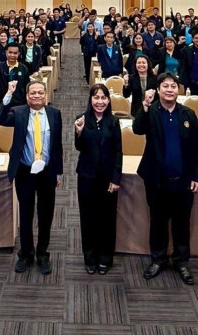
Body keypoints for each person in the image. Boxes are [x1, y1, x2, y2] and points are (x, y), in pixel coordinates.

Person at [132, 72, 198, 285]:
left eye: (173, 86)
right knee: (158, 221)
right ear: (158, 89)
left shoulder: (188, 114)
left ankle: (181, 262)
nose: (170, 90)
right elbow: (137, 129)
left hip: (183, 180)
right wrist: (145, 105)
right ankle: (158, 259)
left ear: (178, 90)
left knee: (182, 223)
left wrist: (197, 176)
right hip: (157, 180)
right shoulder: (151, 111)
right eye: (165, 86)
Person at [0, 80, 63, 275]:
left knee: (45, 215)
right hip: (25, 171)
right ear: (27, 97)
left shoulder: (54, 114)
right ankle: (26, 254)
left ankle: (42, 254)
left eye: (40, 93)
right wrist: (8, 94)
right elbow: (1, 119)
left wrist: (59, 172)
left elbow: (57, 145)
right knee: (26, 214)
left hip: (47, 172)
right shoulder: (18, 113)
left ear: (46, 95)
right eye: (33, 93)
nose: (37, 96)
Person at [73, 84, 123, 274]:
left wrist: (116, 179)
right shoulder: (82, 119)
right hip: (87, 176)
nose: (100, 102)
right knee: (88, 217)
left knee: (107, 218)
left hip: (108, 178)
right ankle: (90, 258)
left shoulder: (114, 122)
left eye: (103, 98)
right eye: (96, 97)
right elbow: (79, 147)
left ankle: (105, 258)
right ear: (90, 99)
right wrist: (79, 132)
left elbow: (118, 152)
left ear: (108, 100)